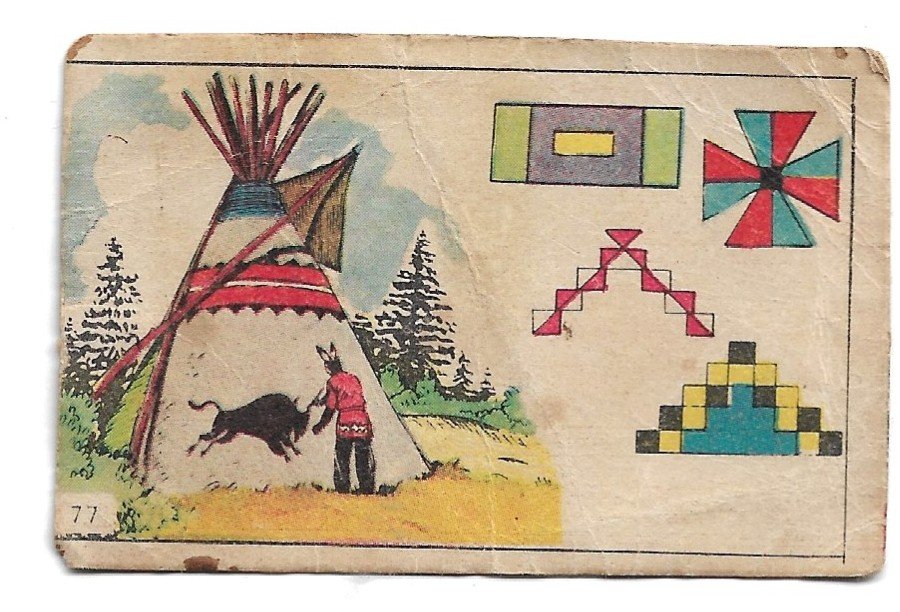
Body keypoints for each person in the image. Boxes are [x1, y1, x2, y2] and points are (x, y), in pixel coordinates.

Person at [311, 343, 376, 494]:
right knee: (363, 456)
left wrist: (320, 425)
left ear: (328, 368)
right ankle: (366, 488)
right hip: (362, 420)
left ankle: (342, 488)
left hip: (346, 422)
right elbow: (350, 396)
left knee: (342, 456)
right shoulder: (354, 378)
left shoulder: (332, 382)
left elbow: (331, 407)